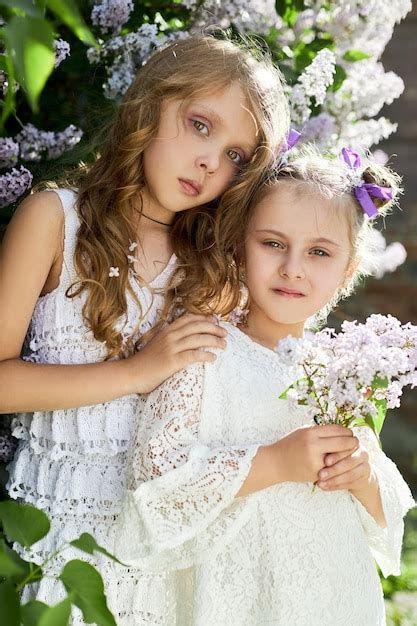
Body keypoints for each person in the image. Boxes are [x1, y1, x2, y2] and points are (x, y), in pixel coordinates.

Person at [0, 35, 289, 622]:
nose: (212, 162)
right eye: (201, 125)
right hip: (59, 542)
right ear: (149, 104)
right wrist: (136, 372)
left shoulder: (215, 265)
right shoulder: (56, 220)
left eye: (237, 154)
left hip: (166, 554)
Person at [116, 145, 415, 625]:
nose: (293, 267)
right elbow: (157, 479)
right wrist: (275, 461)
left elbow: (388, 516)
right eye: (273, 243)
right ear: (239, 247)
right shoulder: (205, 350)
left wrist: (360, 475)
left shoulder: (340, 372)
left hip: (333, 595)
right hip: (247, 597)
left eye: (319, 252)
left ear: (347, 272)